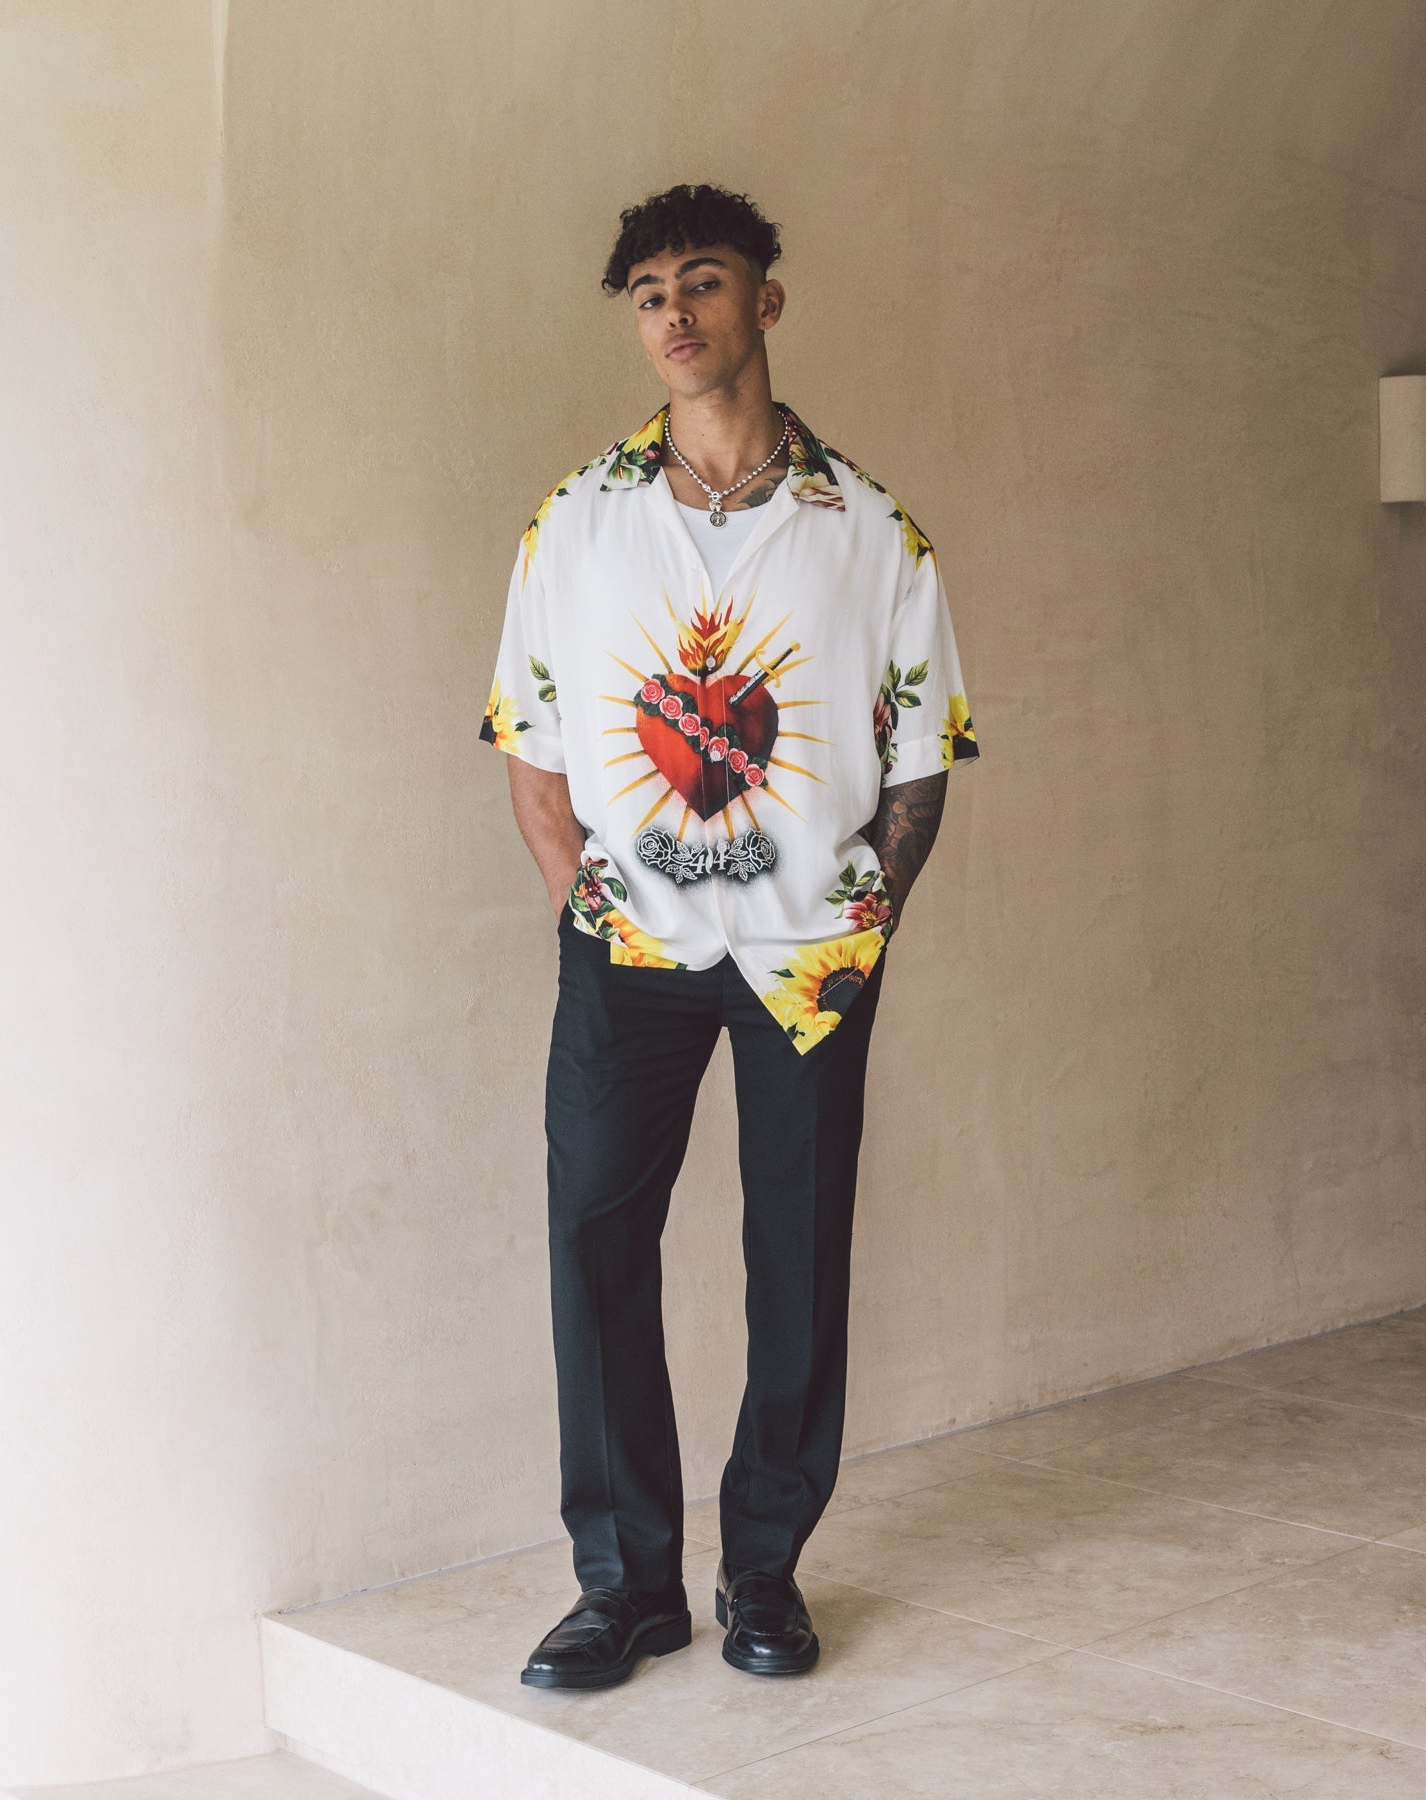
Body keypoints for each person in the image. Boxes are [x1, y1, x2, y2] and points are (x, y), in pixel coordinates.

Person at [478, 182, 980, 1689]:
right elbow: (532, 744)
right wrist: (588, 907)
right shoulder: (576, 519)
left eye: (701, 281)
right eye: (647, 293)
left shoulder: (873, 532)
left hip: (809, 956)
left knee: (798, 1257)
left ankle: (764, 1569)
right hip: (626, 951)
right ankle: (626, 1585)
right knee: (593, 1243)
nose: (674, 313)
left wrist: (863, 925)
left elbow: (920, 758)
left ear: (765, 300)